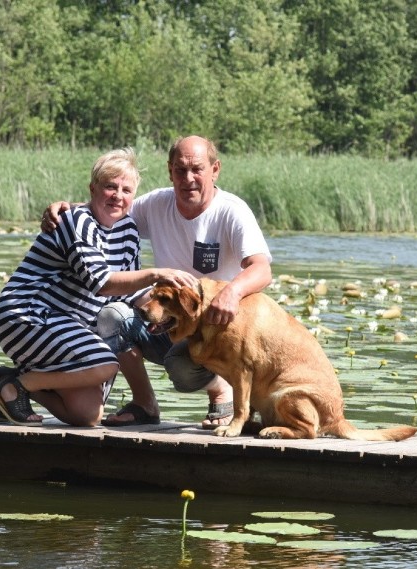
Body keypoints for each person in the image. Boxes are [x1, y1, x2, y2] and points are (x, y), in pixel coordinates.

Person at [41, 135, 272, 428]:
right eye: (180, 170)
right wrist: (67, 209)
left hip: (215, 332)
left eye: (196, 169)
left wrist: (232, 293)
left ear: (214, 170)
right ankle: (144, 403)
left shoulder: (232, 211)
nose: (188, 178)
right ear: (170, 170)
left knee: (181, 367)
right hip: (168, 323)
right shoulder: (156, 204)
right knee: (111, 316)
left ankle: (221, 391)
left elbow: (261, 269)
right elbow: (113, 205)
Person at [0, 147, 197, 427]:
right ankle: (21, 382)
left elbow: (130, 292)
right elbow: (100, 283)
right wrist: (157, 273)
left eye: (126, 190)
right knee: (106, 363)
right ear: (93, 188)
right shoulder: (77, 221)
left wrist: (179, 311)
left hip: (67, 328)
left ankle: (8, 383)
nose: (118, 196)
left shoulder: (129, 230)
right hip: (27, 315)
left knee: (87, 414)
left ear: (134, 196)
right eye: (110, 187)